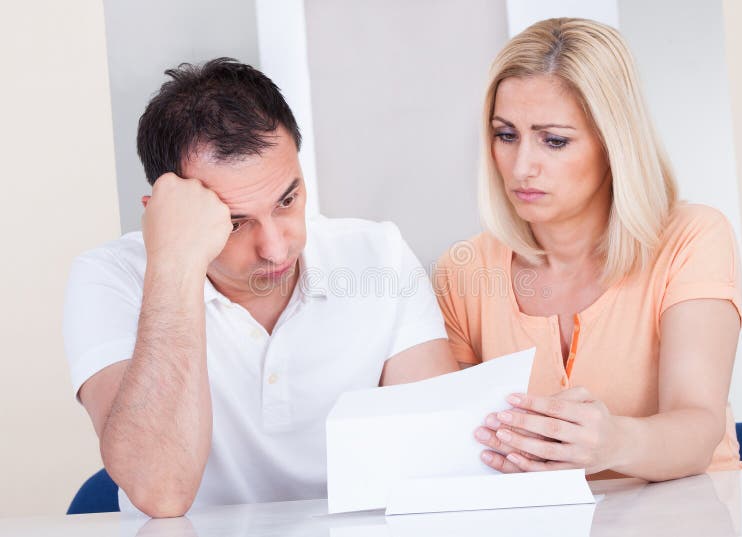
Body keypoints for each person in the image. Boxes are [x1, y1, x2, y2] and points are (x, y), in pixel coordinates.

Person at [63, 58, 458, 518]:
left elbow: (437, 462)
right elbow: (160, 491)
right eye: (235, 223)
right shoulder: (109, 278)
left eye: (287, 200)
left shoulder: (378, 255)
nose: (275, 247)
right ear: (163, 213)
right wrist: (173, 264)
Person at [435, 18, 742, 481]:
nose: (521, 167)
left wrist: (614, 442)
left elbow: (698, 425)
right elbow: (457, 451)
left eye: (554, 140)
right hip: (541, 517)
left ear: (613, 142)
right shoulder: (464, 270)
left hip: (693, 509)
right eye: (506, 135)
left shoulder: (692, 237)